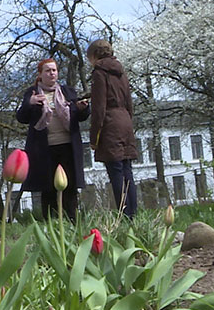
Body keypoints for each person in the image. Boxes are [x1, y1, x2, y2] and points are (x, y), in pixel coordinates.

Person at [16, 58, 90, 222]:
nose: (52, 73)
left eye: (54, 70)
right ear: (40, 74)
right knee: (48, 187)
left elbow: (80, 116)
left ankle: (72, 221)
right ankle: (50, 223)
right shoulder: (33, 92)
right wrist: (30, 103)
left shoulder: (67, 91)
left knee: (69, 186)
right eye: (48, 70)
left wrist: (83, 108)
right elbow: (21, 117)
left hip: (67, 146)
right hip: (44, 149)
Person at [87, 39, 138, 219]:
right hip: (125, 121)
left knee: (116, 173)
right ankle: (134, 215)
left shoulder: (99, 73)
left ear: (94, 56)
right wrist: (126, 122)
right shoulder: (121, 72)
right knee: (127, 171)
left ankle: (124, 216)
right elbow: (130, 104)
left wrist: (94, 139)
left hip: (110, 125)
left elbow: (98, 109)